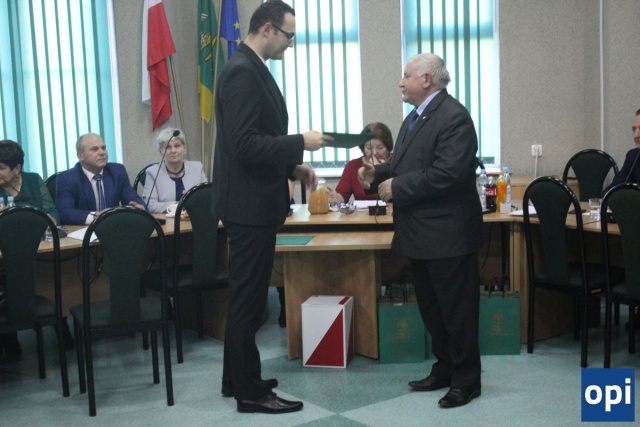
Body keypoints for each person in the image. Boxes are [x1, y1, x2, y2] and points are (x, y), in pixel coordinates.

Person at [211, 0, 331, 414]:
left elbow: (256, 140)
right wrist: (300, 142)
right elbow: (244, 145)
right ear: (266, 29)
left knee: (244, 298)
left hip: (252, 201)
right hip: (248, 206)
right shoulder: (242, 73)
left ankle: (236, 378)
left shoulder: (251, 68)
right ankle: (250, 394)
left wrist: (292, 167)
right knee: (247, 301)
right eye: (288, 35)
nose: (290, 44)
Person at [358, 53, 483, 408]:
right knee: (433, 311)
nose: (401, 82)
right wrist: (377, 175)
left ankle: (466, 380)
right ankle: (445, 368)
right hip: (420, 236)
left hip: (448, 237)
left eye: (406, 75)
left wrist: (397, 187)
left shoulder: (454, 117)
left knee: (457, 314)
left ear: (427, 79)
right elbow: (406, 166)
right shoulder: (414, 118)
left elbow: (448, 174)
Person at [0, 139, 62, 359]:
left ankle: (61, 329)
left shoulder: (34, 181)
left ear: (17, 168)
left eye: (1, 168)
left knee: (58, 275)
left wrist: (45, 222)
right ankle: (10, 338)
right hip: (5, 255)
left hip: (38, 246)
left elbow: (52, 213)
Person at [56, 133, 145, 225]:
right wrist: (95, 216)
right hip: (83, 230)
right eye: (94, 149)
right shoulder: (67, 178)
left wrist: (139, 206)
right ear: (80, 156)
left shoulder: (117, 171)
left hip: (114, 227)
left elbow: (132, 197)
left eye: (103, 148)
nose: (102, 152)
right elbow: (64, 212)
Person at [142, 128, 207, 213]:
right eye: (168, 147)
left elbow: (206, 198)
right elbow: (149, 205)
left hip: (194, 219)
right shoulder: (153, 172)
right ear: (161, 152)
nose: (173, 151)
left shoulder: (197, 168)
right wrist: (178, 206)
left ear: (185, 148)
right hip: (166, 220)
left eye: (177, 146)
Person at [327, 122, 394, 203]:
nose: (374, 153)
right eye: (369, 148)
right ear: (363, 147)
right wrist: (335, 197)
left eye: (380, 148)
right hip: (362, 211)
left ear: (388, 147)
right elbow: (342, 195)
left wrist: (379, 171)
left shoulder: (398, 163)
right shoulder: (353, 166)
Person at [603, 108, 640, 194]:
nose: (636, 135)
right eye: (634, 129)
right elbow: (615, 187)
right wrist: (601, 200)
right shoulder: (633, 156)